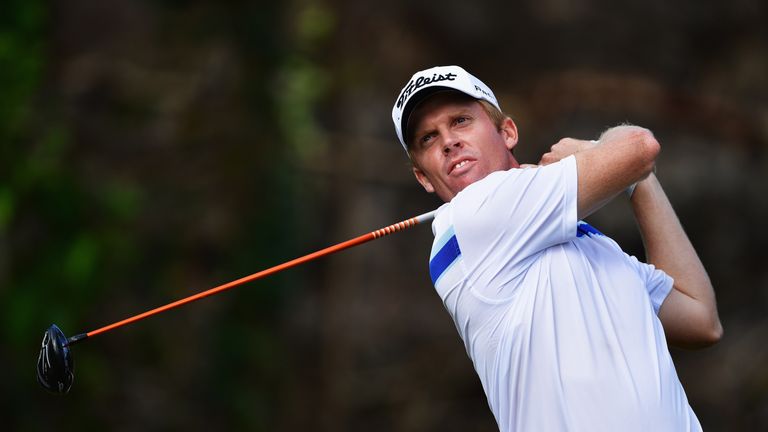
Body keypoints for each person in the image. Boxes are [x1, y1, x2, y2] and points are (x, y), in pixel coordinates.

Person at [391, 65, 722, 431]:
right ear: (422, 176)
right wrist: (600, 151)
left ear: (507, 131)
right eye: (427, 139)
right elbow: (640, 146)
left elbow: (700, 318)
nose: (448, 141)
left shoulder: (592, 243)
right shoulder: (472, 217)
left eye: (460, 121)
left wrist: (638, 183)